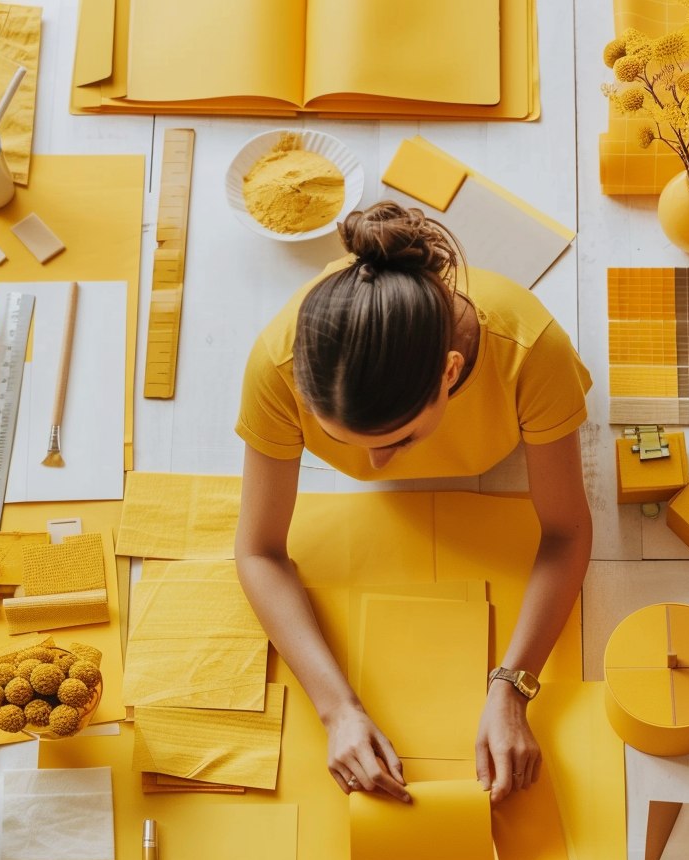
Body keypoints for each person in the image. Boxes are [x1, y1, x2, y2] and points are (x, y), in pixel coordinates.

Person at [235, 201, 592, 805]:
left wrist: (512, 688)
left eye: (399, 439)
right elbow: (258, 552)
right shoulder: (277, 366)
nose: (376, 467)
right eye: (343, 444)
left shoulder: (533, 354)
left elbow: (567, 532)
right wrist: (336, 711)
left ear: (451, 373)